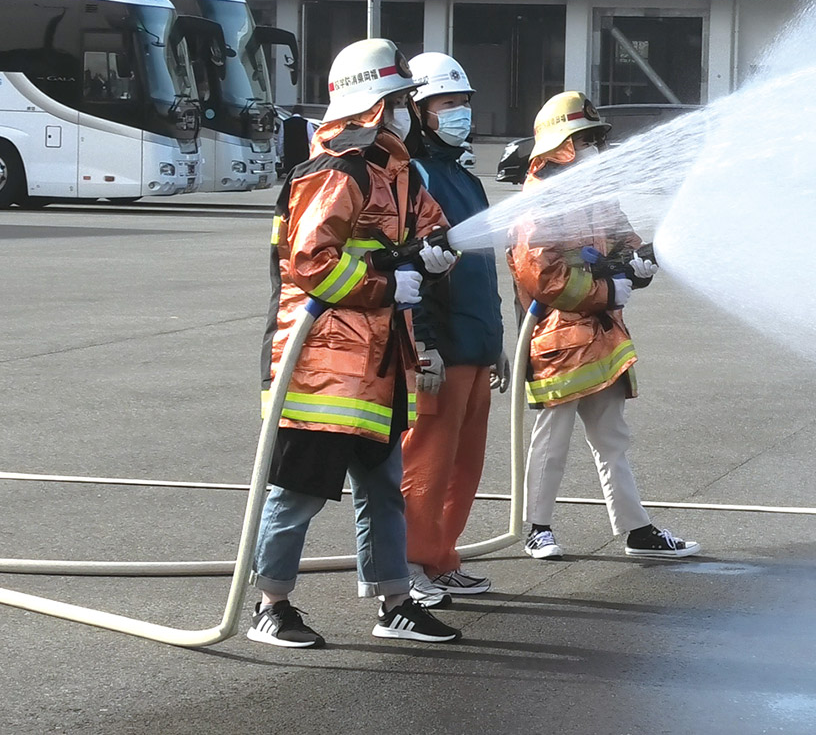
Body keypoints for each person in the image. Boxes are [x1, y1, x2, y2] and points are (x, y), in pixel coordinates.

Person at [250, 38, 462, 648]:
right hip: (322, 361)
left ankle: (395, 601)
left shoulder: (391, 172)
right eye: (397, 99)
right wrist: (386, 281)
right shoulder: (334, 172)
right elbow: (312, 263)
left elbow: (428, 225)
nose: (405, 109)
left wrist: (436, 252)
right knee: (300, 493)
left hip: (377, 361)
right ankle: (272, 605)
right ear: (371, 103)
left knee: (382, 488)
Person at [507, 91, 701, 561]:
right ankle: (538, 529)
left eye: (595, 139)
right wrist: (607, 292)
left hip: (601, 339)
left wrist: (637, 263)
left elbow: (621, 240)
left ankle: (636, 530)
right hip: (555, 342)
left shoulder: (594, 192)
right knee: (551, 442)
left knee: (614, 438)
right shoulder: (540, 202)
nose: (593, 148)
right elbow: (543, 275)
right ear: (561, 145)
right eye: (584, 139)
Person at [399, 51, 510, 607]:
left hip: (476, 342)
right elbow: (412, 268)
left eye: (465, 102)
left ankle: (442, 557)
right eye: (449, 103)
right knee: (425, 460)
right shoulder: (413, 174)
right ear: (419, 112)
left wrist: (498, 339)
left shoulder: (463, 177)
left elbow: (482, 264)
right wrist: (424, 343)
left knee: (464, 464)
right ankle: (410, 565)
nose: (461, 112)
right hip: (440, 349)